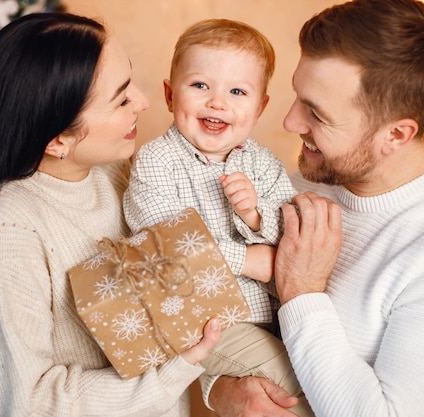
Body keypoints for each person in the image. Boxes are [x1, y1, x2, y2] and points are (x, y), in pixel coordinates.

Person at [206, 1, 424, 416]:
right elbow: (227, 319)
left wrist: (302, 293)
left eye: (317, 113)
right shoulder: (299, 185)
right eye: (298, 96)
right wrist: (222, 390)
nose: (291, 123)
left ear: (396, 134)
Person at [0, 12, 221, 417]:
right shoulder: (9, 231)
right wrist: (172, 373)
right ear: (58, 140)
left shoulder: (121, 172)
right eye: (122, 97)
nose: (144, 103)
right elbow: (26, 405)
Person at [123, 19, 310, 416]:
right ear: (170, 95)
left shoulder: (265, 164)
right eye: (200, 86)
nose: (217, 103)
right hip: (206, 320)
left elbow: (291, 237)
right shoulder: (158, 162)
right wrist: (250, 259)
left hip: (274, 315)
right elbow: (164, 247)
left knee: (326, 363)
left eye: (237, 91)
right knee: (303, 384)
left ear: (259, 107)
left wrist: (256, 216)